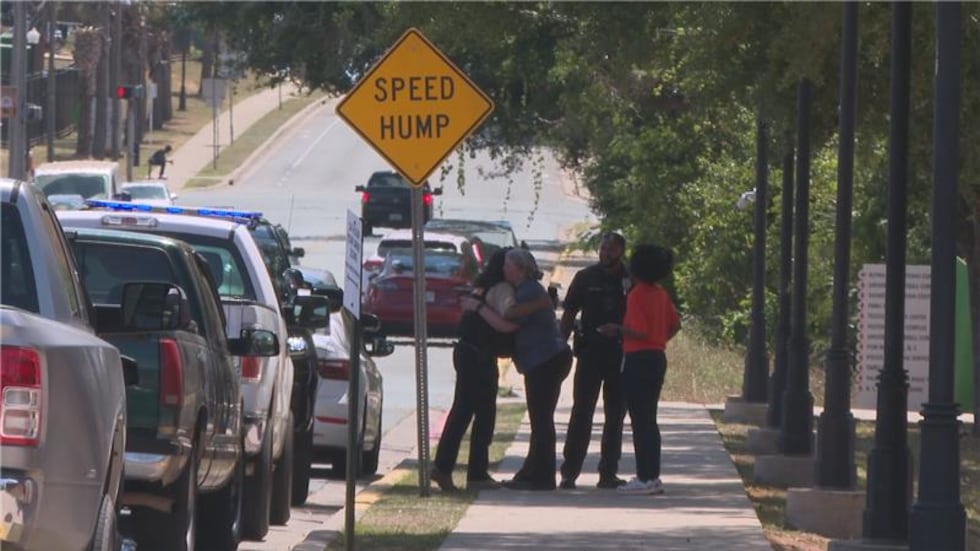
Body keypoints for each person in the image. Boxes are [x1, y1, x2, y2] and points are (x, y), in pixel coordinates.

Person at [431, 247, 552, 492]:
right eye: (507, 265)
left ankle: (443, 467)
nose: (508, 270)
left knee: (461, 413)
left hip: (466, 351)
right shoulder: (502, 289)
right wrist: (535, 311)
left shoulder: (482, 287)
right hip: (479, 356)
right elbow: (507, 318)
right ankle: (475, 473)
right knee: (484, 416)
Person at [463, 248, 572, 491]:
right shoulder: (526, 290)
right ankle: (530, 472)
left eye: (508, 266)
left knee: (541, 420)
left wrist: (478, 307)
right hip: (544, 360)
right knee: (539, 420)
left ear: (520, 270)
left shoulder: (529, 290)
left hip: (546, 360)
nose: (504, 269)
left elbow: (509, 315)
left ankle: (542, 477)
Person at [597, 244, 680, 496]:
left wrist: (616, 329)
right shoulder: (660, 294)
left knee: (640, 420)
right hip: (657, 356)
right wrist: (659, 338)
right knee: (649, 419)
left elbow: (640, 331)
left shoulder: (637, 295)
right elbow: (675, 324)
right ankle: (651, 474)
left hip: (638, 358)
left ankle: (645, 477)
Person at [558, 232, 629, 490]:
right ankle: (569, 472)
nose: (605, 253)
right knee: (582, 412)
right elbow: (569, 313)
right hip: (590, 352)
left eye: (611, 249)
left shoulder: (630, 280)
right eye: (603, 248)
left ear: (621, 251)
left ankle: (608, 472)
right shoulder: (585, 277)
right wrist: (560, 344)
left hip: (620, 353)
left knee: (615, 415)